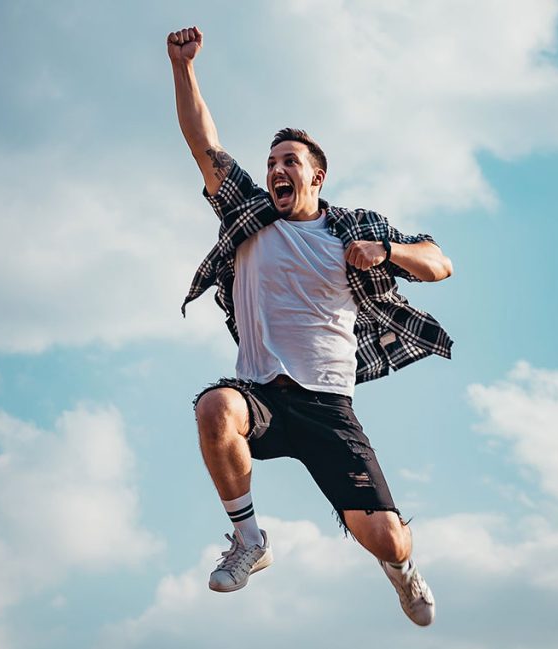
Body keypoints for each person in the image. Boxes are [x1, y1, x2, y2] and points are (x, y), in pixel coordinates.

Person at [169, 25, 454, 627]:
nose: (276, 168)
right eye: (272, 161)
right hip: (261, 394)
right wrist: (184, 67)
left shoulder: (351, 227)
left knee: (388, 539)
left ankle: (401, 570)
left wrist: (386, 250)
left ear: (316, 177)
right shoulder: (248, 212)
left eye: (289, 161)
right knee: (215, 408)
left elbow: (439, 262)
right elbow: (204, 145)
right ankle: (250, 541)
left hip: (327, 406)